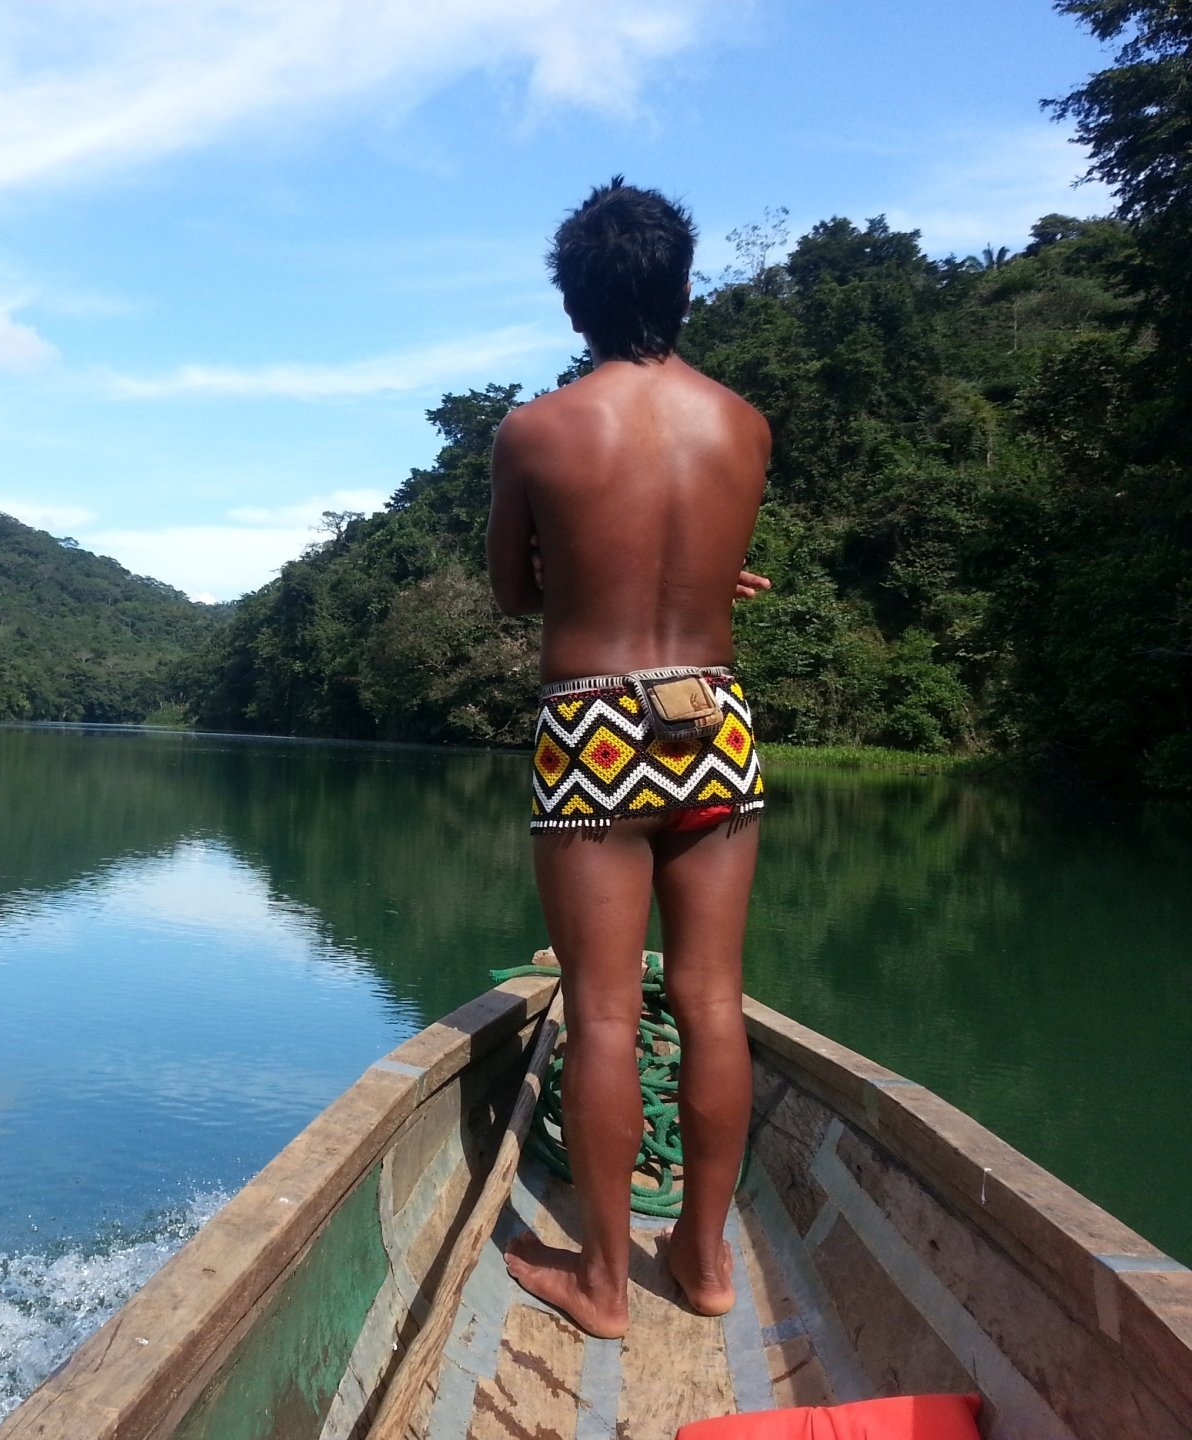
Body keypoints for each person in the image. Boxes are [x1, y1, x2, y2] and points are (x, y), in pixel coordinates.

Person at [486, 177, 770, 1340]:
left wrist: (575, 570)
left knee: (604, 1011)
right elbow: (690, 564)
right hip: (715, 719)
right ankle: (702, 1261)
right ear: (685, 286)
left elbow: (516, 592)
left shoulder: (536, 431)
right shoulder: (742, 424)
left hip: (595, 725)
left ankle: (603, 1285)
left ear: (573, 301)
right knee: (711, 999)